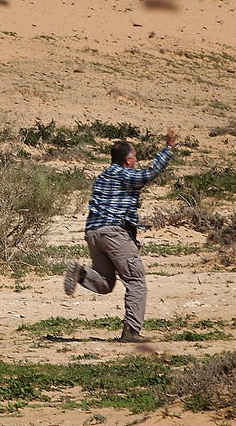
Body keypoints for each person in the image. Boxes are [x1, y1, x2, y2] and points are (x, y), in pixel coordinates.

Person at [63, 129, 177, 343]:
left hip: (94, 233)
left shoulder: (104, 175)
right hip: (113, 233)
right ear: (128, 160)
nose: (136, 161)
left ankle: (80, 272)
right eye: (134, 157)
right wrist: (168, 149)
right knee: (136, 281)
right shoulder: (122, 174)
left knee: (105, 283)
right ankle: (131, 332)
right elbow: (149, 174)